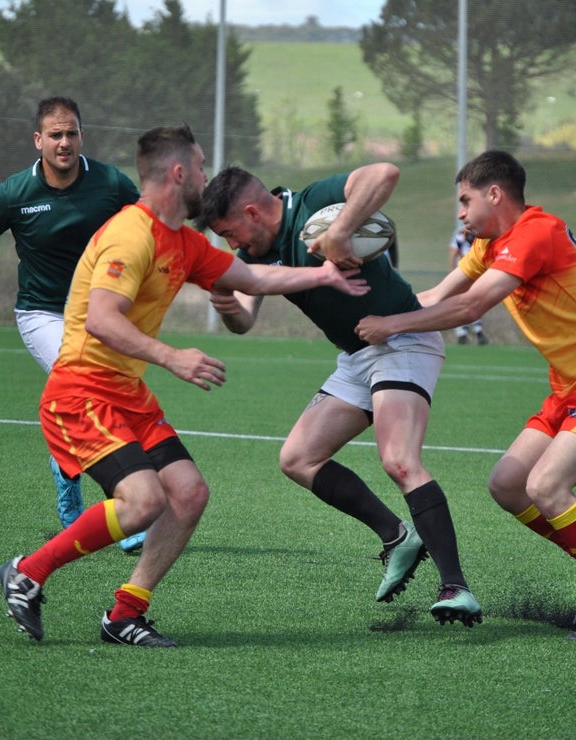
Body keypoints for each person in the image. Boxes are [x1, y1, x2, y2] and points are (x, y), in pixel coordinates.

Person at [0, 123, 371, 647]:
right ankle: (27, 572)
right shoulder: (131, 234)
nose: (205, 176)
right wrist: (172, 357)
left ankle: (124, 614)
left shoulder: (183, 241)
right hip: (81, 393)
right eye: (200, 167)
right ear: (178, 173)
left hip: (126, 393)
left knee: (189, 494)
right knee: (143, 501)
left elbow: (253, 278)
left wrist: (324, 275)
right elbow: (101, 319)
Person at [356, 150, 576, 641]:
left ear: (495, 194)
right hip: (571, 389)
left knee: (545, 487)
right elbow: (434, 297)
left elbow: (471, 306)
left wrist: (392, 325)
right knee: (507, 485)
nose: (460, 213)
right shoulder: (490, 245)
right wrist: (360, 302)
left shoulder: (536, 233)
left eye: (465, 200)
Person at [197, 164, 482, 627]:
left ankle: (456, 587)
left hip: (402, 340)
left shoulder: (313, 203)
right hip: (356, 356)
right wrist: (229, 307)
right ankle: (397, 536)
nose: (232, 246)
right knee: (298, 458)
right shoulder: (253, 256)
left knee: (399, 460)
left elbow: (384, 173)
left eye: (230, 233)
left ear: (252, 212)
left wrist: (341, 231)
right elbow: (244, 320)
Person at [0, 97, 146, 552]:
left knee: (107, 402)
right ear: (38, 140)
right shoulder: (15, 193)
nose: (64, 142)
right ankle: (122, 511)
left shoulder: (110, 183)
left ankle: (69, 471)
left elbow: (148, 227)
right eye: (55, 135)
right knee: (90, 393)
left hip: (102, 314)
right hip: (43, 313)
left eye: (71, 133)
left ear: (82, 136)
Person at [447, 227, 487, 345]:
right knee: (465, 301)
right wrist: (453, 274)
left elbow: (453, 253)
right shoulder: (461, 235)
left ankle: (472, 331)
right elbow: (454, 253)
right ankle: (467, 332)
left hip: (473, 272)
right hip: (465, 272)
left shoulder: (480, 234)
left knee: (472, 300)